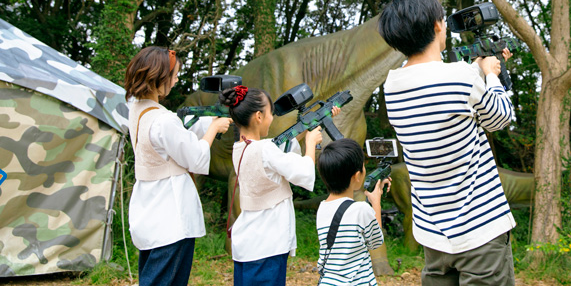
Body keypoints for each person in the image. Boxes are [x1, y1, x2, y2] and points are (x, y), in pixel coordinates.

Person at [378, 0, 515, 286]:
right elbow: (500, 116)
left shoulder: (393, 86)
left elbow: (442, 91)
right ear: (438, 25)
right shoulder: (461, 78)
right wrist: (492, 75)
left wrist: (476, 71)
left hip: (434, 234)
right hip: (481, 230)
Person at [125, 46, 232, 286]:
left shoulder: (139, 109)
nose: (175, 80)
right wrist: (214, 128)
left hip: (150, 210)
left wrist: (212, 118)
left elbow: (177, 135)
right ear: (158, 78)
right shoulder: (163, 120)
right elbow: (194, 157)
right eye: (173, 75)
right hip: (171, 217)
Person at [220, 85, 335, 286]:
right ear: (258, 116)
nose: (272, 118)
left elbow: (278, 152)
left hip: (250, 243)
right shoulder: (265, 150)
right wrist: (310, 144)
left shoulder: (241, 148)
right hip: (268, 244)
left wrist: (307, 129)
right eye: (270, 113)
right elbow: (302, 173)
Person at [316, 138, 389, 286]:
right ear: (357, 176)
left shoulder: (322, 208)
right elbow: (376, 241)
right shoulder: (361, 209)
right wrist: (376, 203)